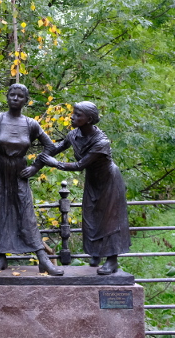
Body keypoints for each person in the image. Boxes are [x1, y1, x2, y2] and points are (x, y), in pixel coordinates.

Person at [38, 101, 131, 275]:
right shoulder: (74, 134)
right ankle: (96, 253)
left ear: (89, 119)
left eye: (77, 114)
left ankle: (112, 260)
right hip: (93, 180)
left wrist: (55, 163)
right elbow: (57, 148)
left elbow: (80, 165)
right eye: (73, 113)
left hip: (109, 181)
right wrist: (37, 162)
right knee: (90, 217)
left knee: (110, 221)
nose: (72, 116)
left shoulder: (101, 142)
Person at [0, 83, 64, 276]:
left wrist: (36, 167)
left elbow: (50, 147)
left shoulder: (31, 124)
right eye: (12, 94)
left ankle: (43, 259)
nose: (15, 98)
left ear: (26, 101)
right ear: (7, 96)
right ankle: (0, 256)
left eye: (20, 96)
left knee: (26, 214)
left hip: (19, 171)